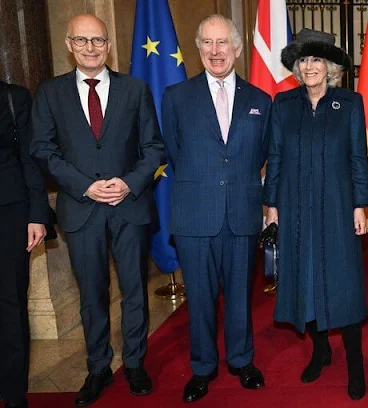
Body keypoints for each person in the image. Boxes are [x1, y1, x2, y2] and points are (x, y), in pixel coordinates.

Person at [30, 13, 164, 407]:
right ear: (69, 45)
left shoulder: (135, 90)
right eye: (83, 40)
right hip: (80, 207)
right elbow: (42, 149)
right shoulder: (50, 94)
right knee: (92, 292)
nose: (91, 47)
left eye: (98, 41)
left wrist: (128, 182)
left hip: (129, 206)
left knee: (135, 290)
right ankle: (98, 367)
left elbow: (154, 147)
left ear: (108, 45)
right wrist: (84, 185)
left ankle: (136, 364)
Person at [161, 14, 271, 403]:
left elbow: (260, 155)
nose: (215, 50)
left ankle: (242, 360)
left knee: (241, 294)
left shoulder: (260, 101)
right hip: (195, 215)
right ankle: (203, 367)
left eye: (222, 42)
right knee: (201, 297)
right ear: (199, 49)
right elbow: (175, 152)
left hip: (241, 213)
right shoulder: (177, 97)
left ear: (237, 49)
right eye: (207, 43)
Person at [264, 28, 368, 401]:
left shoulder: (350, 103)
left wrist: (361, 204)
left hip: (339, 207)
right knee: (304, 280)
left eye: (317, 59)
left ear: (330, 66)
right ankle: (321, 349)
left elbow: (358, 157)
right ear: (297, 66)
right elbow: (275, 158)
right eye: (304, 59)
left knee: (344, 283)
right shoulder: (283, 104)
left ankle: (355, 362)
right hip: (294, 209)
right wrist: (272, 206)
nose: (310, 66)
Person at [0, 81, 49, 408]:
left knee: (10, 303)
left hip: (10, 211)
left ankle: (14, 392)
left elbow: (29, 158)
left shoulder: (12, 97)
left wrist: (37, 214)